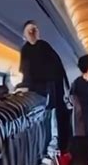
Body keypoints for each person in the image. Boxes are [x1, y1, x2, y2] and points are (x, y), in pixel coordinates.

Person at [19, 20, 70, 150]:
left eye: (34, 29)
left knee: (53, 116)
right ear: (24, 34)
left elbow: (57, 69)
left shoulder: (44, 46)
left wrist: (63, 89)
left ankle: (59, 146)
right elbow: (26, 71)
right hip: (36, 90)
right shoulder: (25, 50)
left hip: (50, 89)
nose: (32, 32)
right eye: (29, 30)